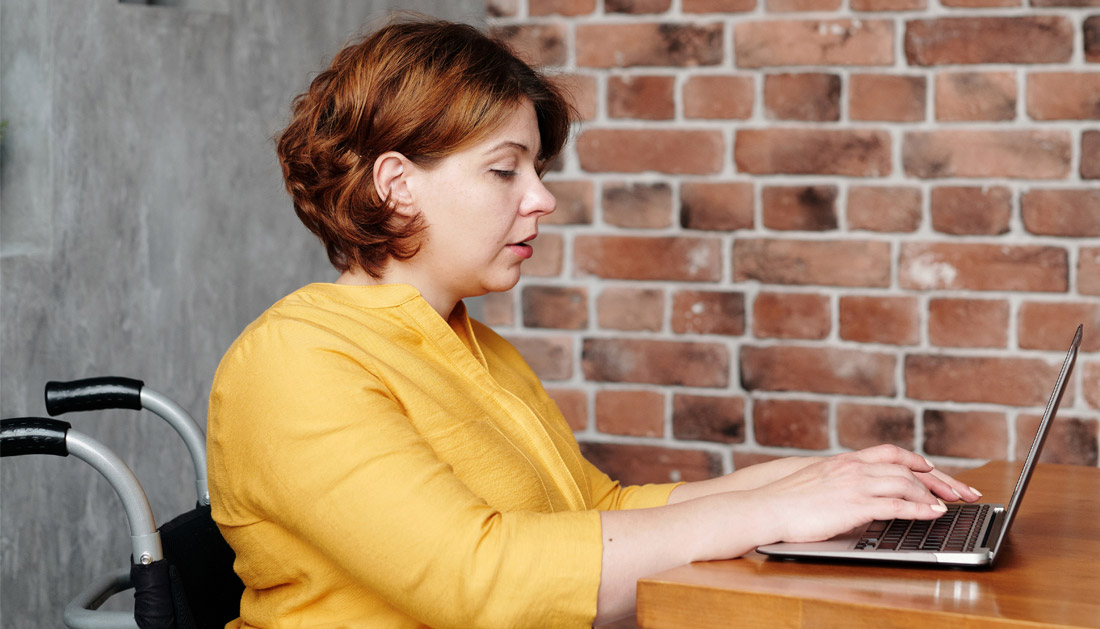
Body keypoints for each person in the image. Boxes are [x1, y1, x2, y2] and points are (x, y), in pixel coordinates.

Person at [206, 14, 982, 629]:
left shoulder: (475, 346)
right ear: (397, 184)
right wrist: (773, 511)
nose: (540, 198)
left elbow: (598, 513)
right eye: (505, 169)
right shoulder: (296, 361)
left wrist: (824, 480)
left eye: (537, 171)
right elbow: (481, 582)